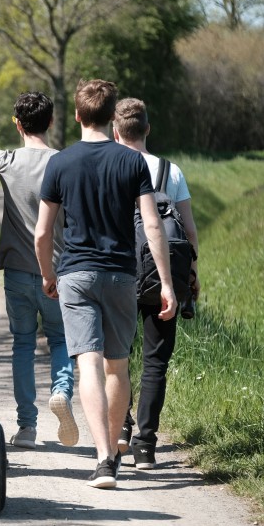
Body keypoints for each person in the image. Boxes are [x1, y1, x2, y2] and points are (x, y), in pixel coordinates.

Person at [35, 79, 177, 489]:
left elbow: (43, 234)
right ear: (113, 117)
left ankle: (101, 459)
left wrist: (48, 274)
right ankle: (114, 451)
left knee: (88, 366)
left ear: (77, 115)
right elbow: (152, 224)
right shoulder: (133, 162)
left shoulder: (59, 163)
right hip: (121, 275)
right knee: (118, 365)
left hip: (76, 274)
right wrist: (166, 283)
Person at [0, 92, 76, 450]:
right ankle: (61, 392)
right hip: (58, 269)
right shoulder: (64, 163)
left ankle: (27, 427)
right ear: (52, 121)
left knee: (23, 344)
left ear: (17, 123)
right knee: (60, 340)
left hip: (16, 268)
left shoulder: (7, 161)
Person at [112, 97, 200, 470]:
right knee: (155, 361)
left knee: (116, 357)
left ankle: (121, 428)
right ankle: (145, 446)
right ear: (147, 129)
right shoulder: (170, 171)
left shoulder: (111, 166)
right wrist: (191, 276)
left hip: (118, 272)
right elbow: (189, 230)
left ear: (116, 132)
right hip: (161, 274)